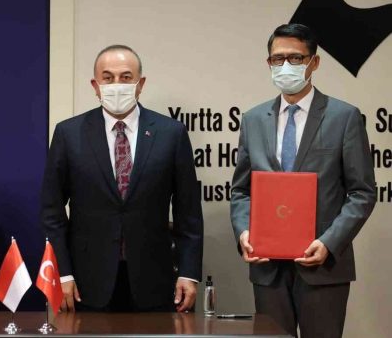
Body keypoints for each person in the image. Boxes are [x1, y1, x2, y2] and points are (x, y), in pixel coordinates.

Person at [230, 23, 376, 338]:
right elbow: (241, 190)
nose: (286, 66)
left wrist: (329, 243)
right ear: (268, 63)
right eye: (278, 59)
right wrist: (244, 232)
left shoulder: (344, 117)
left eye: (296, 58)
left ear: (314, 62)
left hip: (322, 266)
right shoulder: (253, 120)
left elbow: (362, 192)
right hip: (268, 268)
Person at [40, 45, 203, 312]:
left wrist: (188, 272)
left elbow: (189, 212)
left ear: (141, 84)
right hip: (85, 282)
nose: (117, 84)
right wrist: (63, 273)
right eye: (108, 78)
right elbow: (52, 212)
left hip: (154, 279)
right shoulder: (69, 134)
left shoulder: (171, 133)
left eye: (126, 77)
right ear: (95, 85)